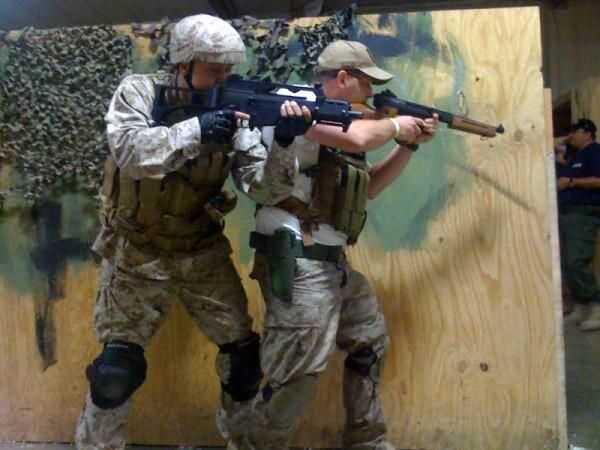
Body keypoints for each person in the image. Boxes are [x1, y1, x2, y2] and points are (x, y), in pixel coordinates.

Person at [232, 40, 439, 450]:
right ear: (343, 78)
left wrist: (408, 146)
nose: (371, 93)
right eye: (366, 83)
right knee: (295, 374)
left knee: (369, 342)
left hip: (331, 263)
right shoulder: (296, 104)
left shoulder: (345, 121)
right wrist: (397, 126)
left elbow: (369, 187)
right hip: (297, 260)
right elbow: (360, 140)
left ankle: (366, 439)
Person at [75, 14, 262, 450]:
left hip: (201, 251)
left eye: (229, 70)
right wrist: (197, 129)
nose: (224, 79)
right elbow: (129, 152)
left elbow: (260, 187)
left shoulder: (236, 108)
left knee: (245, 364)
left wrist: (283, 145)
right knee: (115, 374)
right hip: (136, 251)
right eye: (214, 70)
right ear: (182, 64)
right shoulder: (139, 92)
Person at [557, 118, 600, 331]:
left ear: (587, 133)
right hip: (567, 214)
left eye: (575, 132)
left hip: (583, 213)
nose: (571, 136)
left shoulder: (594, 152)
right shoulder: (575, 157)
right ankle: (581, 307)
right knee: (566, 263)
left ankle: (596, 306)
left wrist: (572, 182)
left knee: (577, 261)